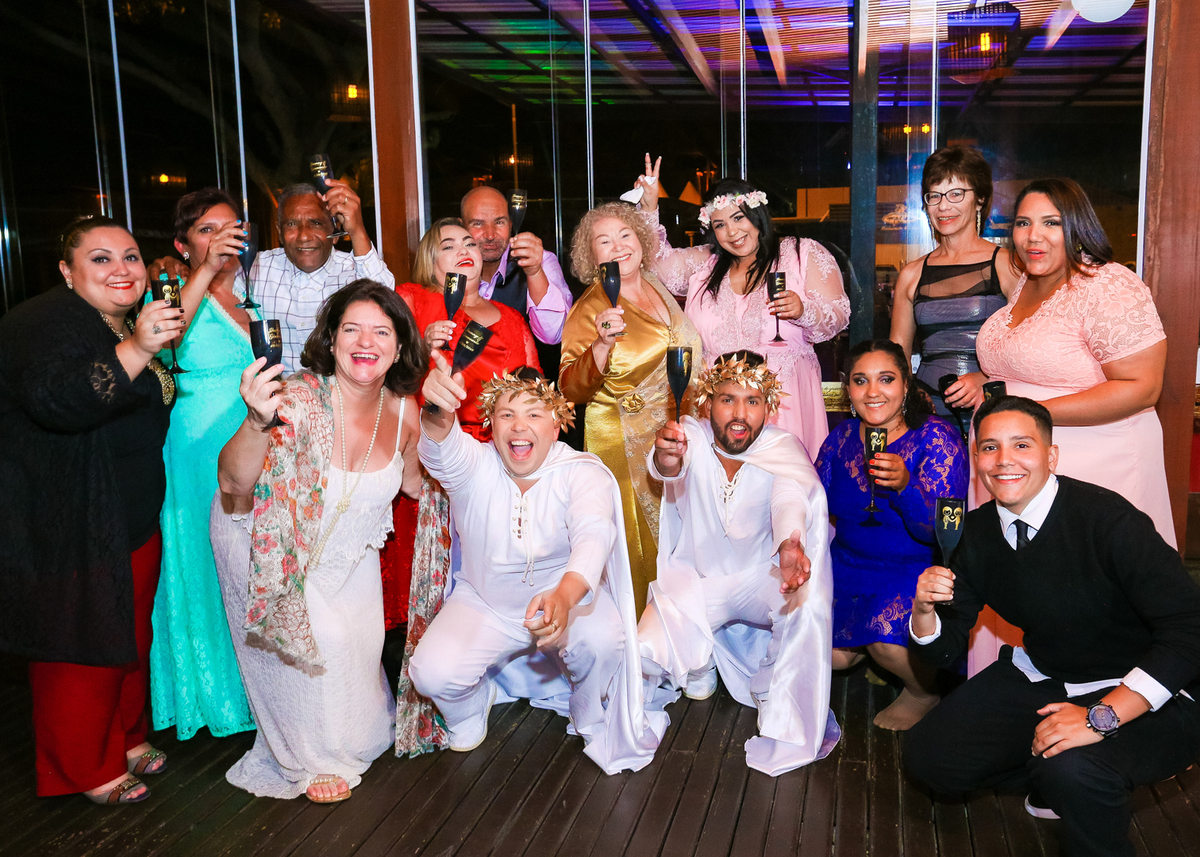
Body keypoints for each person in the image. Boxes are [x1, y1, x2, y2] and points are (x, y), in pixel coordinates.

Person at [905, 396, 1200, 857]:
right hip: (1049, 674)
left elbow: (1189, 628)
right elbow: (945, 650)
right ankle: (1051, 769)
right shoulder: (973, 532)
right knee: (930, 757)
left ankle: (1074, 777)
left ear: (1051, 456)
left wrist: (1101, 717)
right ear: (977, 459)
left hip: (1148, 686)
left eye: (1021, 445)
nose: (1004, 460)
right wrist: (924, 612)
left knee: (1074, 769)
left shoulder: (1109, 519)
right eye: (989, 447)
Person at [212, 279, 425, 802]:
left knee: (361, 654)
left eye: (381, 331)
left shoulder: (405, 412)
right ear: (331, 340)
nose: (365, 342)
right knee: (323, 637)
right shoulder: (296, 398)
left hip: (349, 549)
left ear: (400, 345)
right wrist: (257, 421)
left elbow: (417, 484)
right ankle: (307, 760)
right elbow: (233, 485)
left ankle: (338, 733)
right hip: (265, 542)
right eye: (351, 329)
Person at [0, 216, 184, 804]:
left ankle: (126, 736)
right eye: (100, 259)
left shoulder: (122, 319)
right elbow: (62, 402)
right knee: (80, 645)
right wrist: (139, 348)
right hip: (70, 520)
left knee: (129, 636)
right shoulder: (39, 322)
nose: (121, 269)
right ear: (66, 270)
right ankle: (83, 767)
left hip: (131, 513)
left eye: (130, 257)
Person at [408, 358, 665, 774]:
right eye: (506, 414)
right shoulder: (474, 465)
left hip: (569, 602)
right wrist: (436, 408)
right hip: (485, 605)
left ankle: (587, 706)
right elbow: (439, 445)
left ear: (557, 423)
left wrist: (565, 595)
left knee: (603, 641)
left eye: (533, 414)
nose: (518, 426)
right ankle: (472, 706)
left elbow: (594, 533)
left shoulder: (581, 472)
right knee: (430, 674)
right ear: (491, 423)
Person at [639, 352, 841, 775]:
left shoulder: (782, 447)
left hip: (759, 580)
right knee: (640, 655)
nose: (739, 413)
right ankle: (699, 661)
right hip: (696, 585)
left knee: (805, 601)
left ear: (768, 406)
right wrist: (666, 457)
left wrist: (789, 544)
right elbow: (667, 467)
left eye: (752, 401)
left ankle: (773, 692)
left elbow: (789, 496)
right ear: (707, 402)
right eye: (728, 399)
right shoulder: (690, 438)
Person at [976, 178, 1172, 546]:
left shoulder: (1107, 284)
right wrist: (983, 379)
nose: (1033, 236)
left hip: (1094, 465)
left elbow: (1143, 387)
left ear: (1078, 228)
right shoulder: (1026, 281)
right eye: (1023, 223)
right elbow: (1025, 356)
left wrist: (1029, 414)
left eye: (1051, 222)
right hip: (1020, 464)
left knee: (1087, 567)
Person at [632, 156, 849, 458]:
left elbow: (838, 316)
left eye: (738, 218)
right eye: (720, 225)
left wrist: (803, 311)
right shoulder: (707, 265)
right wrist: (649, 208)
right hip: (720, 409)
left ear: (756, 214)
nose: (732, 232)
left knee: (783, 484)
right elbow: (656, 267)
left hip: (785, 407)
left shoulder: (801, 254)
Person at [149, 188, 256, 743]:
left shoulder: (254, 293)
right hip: (197, 451)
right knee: (205, 563)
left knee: (251, 563)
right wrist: (206, 270)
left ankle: (263, 689)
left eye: (229, 228)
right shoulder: (171, 292)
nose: (221, 240)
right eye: (206, 230)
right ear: (181, 244)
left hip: (255, 443)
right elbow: (164, 343)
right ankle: (216, 694)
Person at [816, 340, 968, 730]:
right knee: (827, 655)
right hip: (846, 562)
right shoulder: (841, 437)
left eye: (886, 379)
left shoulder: (936, 438)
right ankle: (866, 650)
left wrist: (904, 486)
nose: (873, 391)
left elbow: (940, 530)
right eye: (860, 380)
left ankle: (923, 693)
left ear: (906, 383)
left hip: (910, 566)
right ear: (847, 388)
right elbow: (813, 498)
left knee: (884, 637)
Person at [559, 201, 703, 614]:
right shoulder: (590, 307)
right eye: (604, 241)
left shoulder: (656, 284)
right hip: (622, 439)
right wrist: (601, 345)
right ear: (592, 256)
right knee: (639, 547)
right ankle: (642, 635)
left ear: (641, 240)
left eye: (625, 235)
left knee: (681, 538)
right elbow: (569, 387)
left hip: (676, 429)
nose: (619, 246)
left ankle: (681, 627)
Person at [889, 146, 1018, 416]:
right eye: (934, 196)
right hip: (927, 417)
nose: (943, 206)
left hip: (989, 412)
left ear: (980, 198)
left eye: (956, 193)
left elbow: (1029, 348)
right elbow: (897, 359)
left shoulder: (1007, 266)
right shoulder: (912, 274)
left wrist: (986, 377)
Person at [251, 181, 396, 373]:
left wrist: (357, 229)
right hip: (277, 391)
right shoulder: (257, 268)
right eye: (292, 224)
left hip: (343, 391)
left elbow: (388, 300)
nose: (304, 236)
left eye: (316, 223)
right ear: (279, 232)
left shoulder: (355, 269)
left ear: (335, 232)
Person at [460, 185, 573, 348]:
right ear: (461, 227)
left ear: (511, 224)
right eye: (478, 223)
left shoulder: (541, 261)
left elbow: (554, 335)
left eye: (499, 222)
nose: (490, 235)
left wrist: (534, 273)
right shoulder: (449, 266)